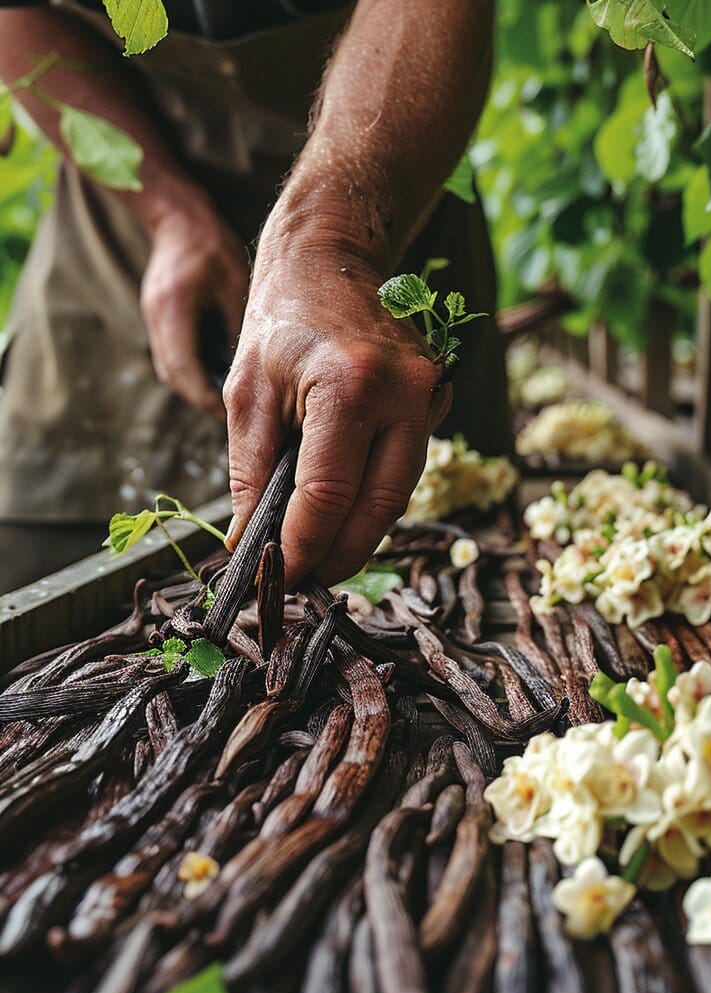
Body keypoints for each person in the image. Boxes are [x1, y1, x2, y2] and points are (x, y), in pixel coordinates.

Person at [0, 0, 510, 594]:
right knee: (40, 573)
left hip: (390, 182)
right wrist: (166, 210)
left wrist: (333, 238)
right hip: (125, 199)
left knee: (450, 549)